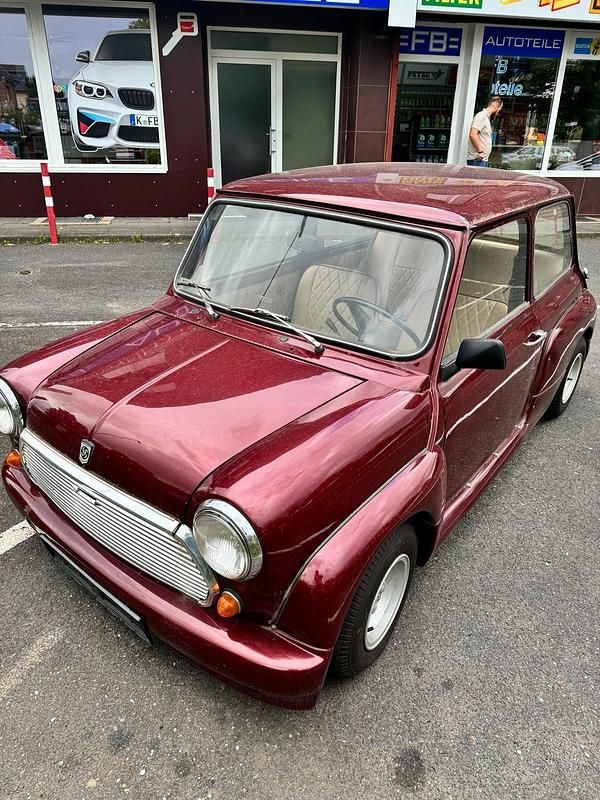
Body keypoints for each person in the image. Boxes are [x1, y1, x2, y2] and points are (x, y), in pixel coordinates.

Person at [467, 97, 503, 167]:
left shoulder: (486, 118)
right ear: (496, 106)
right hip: (477, 159)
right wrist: (480, 151)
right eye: (499, 109)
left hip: (481, 159)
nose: (498, 112)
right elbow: (473, 134)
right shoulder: (481, 116)